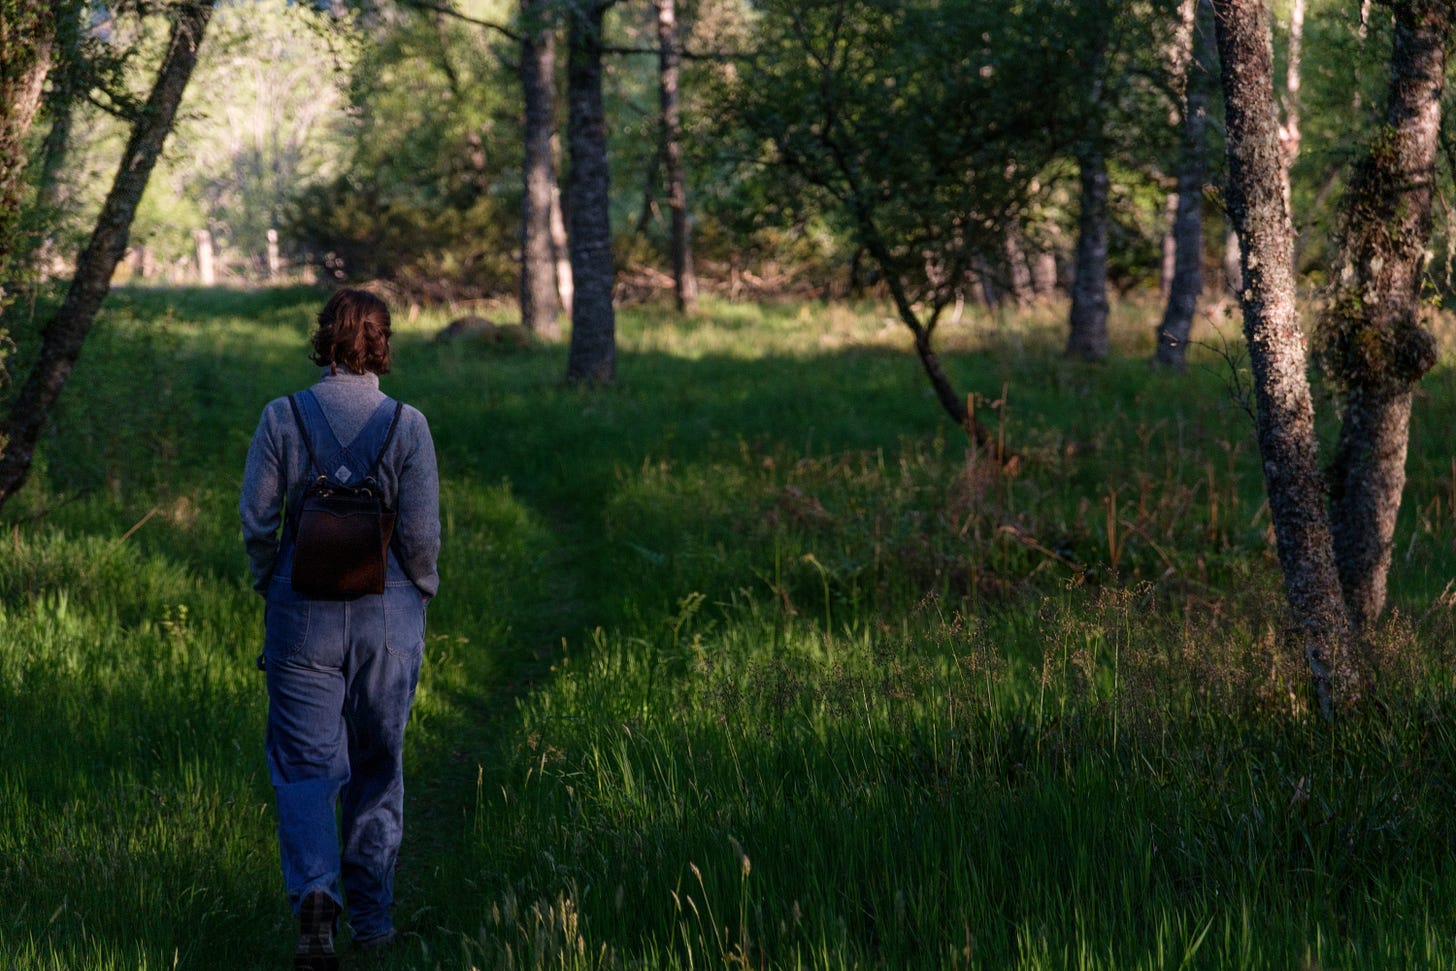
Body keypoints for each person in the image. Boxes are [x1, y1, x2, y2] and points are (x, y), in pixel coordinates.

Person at [240, 289, 440, 969]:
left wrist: (273, 581)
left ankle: (316, 895)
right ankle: (375, 919)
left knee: (304, 766)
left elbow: (257, 522)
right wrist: (422, 595)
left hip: (302, 615)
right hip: (388, 617)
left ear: (324, 339)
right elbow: (420, 538)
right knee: (377, 763)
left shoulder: (280, 417)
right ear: (382, 344)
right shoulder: (408, 424)